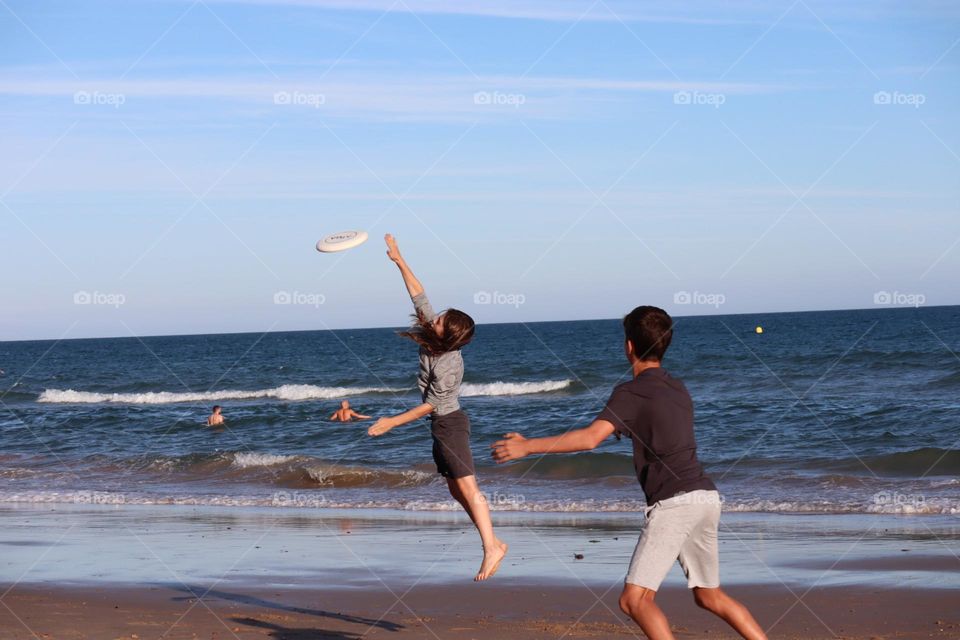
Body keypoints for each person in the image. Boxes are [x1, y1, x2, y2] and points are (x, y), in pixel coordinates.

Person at [491, 306, 767, 640]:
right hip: (705, 498)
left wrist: (528, 446)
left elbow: (591, 439)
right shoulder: (677, 388)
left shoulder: (630, 392)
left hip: (675, 504)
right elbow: (660, 428)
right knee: (709, 595)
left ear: (629, 347)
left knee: (634, 600)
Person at [367, 234, 508, 582]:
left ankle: (492, 547)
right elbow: (419, 293)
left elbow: (432, 404)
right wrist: (399, 259)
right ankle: (491, 539)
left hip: (451, 424)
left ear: (448, 334)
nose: (435, 318)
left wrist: (391, 423)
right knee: (453, 488)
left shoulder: (448, 364)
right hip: (441, 427)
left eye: (441, 319)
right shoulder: (434, 332)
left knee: (470, 488)